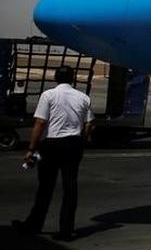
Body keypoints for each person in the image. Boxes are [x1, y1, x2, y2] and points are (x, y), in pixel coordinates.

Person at [13, 65, 94, 241]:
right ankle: (66, 229)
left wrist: (31, 148)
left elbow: (40, 123)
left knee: (46, 187)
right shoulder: (83, 97)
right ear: (72, 78)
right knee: (70, 186)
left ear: (55, 78)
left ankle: (34, 224)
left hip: (52, 144)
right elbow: (89, 123)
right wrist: (83, 140)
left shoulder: (49, 95)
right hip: (73, 144)